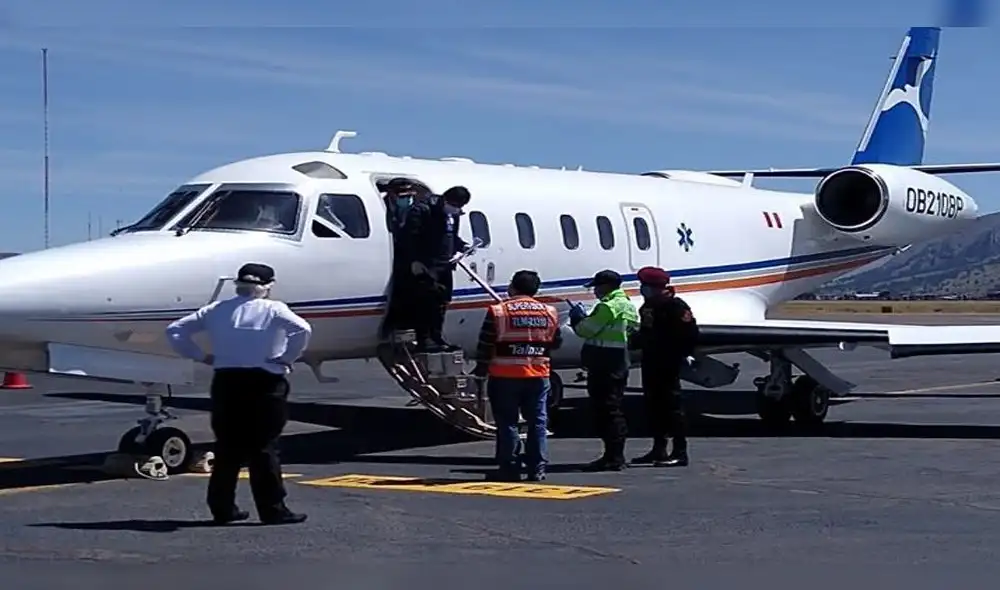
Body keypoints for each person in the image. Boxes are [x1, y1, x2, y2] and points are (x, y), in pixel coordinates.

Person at [164, 263, 312, 526]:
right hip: (265, 382)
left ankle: (222, 508)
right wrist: (286, 358)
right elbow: (302, 330)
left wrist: (202, 356)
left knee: (227, 447)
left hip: (227, 382)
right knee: (263, 447)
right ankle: (273, 509)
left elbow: (175, 330)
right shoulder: (274, 309)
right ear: (267, 286)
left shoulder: (217, 310)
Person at [473, 270, 562, 482]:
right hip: (538, 374)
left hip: (504, 375)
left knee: (507, 423)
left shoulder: (499, 311)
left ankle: (509, 468)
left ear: (512, 287)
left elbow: (486, 343)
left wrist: (480, 369)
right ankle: (537, 468)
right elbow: (556, 342)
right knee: (538, 422)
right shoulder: (549, 311)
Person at [568, 269, 639, 471]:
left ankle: (614, 456)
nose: (595, 292)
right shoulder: (627, 304)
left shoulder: (607, 307)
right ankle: (614, 454)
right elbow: (633, 328)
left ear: (606, 286)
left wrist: (577, 318)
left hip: (604, 362)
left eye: (597, 287)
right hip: (619, 360)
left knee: (607, 409)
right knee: (612, 407)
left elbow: (586, 330)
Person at [628, 266, 698, 467]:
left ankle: (679, 451)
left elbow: (689, 332)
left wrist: (686, 353)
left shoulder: (675, 306)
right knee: (654, 405)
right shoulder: (649, 306)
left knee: (672, 406)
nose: (642, 290)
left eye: (646, 286)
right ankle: (659, 449)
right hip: (651, 360)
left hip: (668, 361)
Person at [399, 185, 471, 351]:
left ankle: (437, 336)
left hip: (445, 265)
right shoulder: (423, 210)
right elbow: (410, 237)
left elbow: (450, 235)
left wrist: (462, 246)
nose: (457, 209)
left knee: (442, 302)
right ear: (445, 199)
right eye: (454, 205)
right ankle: (424, 339)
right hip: (427, 265)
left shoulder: (453, 214)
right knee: (427, 302)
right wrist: (415, 260)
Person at [381, 178, 423, 339]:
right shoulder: (381, 207)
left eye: (408, 195)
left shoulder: (414, 209)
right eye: (401, 195)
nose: (406, 199)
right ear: (390, 194)